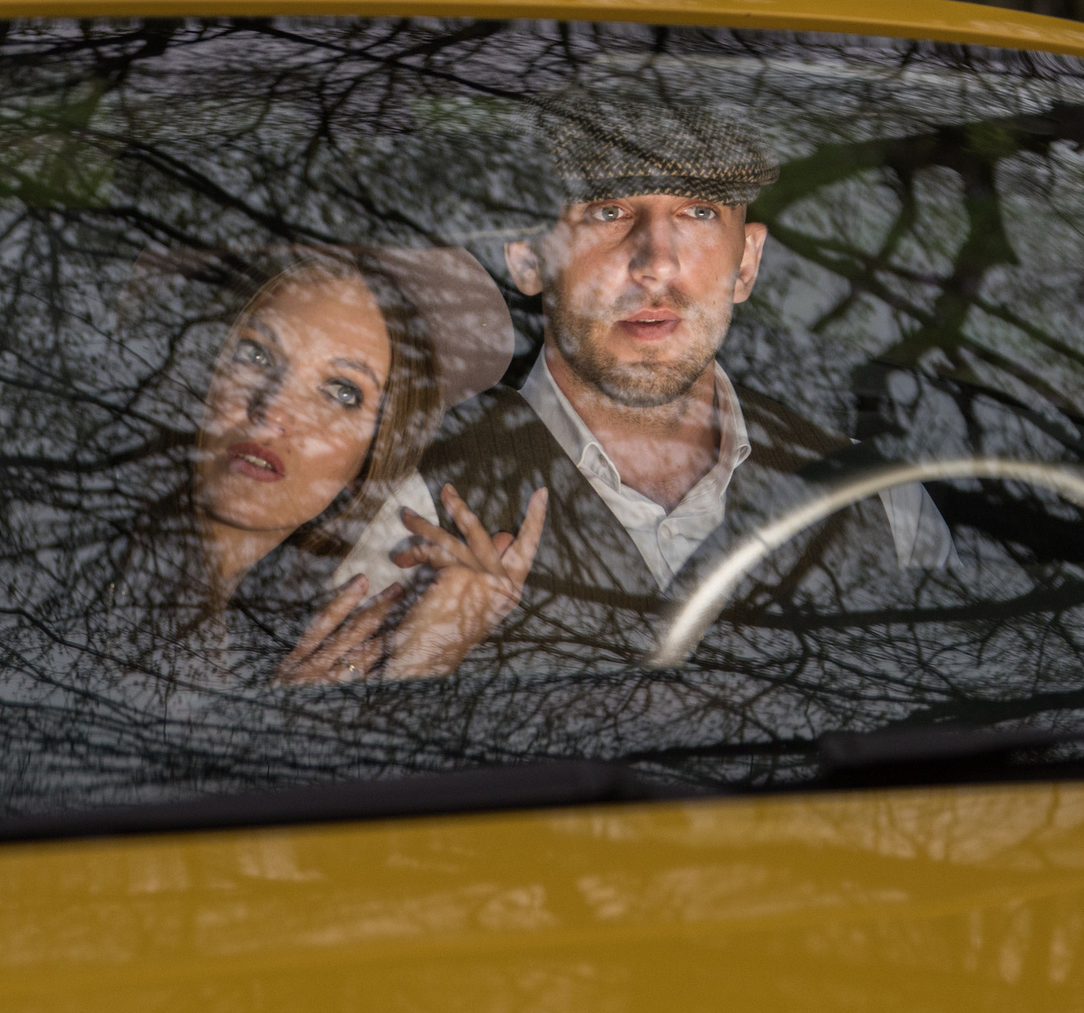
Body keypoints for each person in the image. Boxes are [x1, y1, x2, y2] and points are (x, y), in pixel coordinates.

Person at [370, 94, 949, 676]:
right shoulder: (409, 499)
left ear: (746, 262)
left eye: (698, 212)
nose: (657, 264)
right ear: (528, 262)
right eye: (607, 211)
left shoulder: (879, 500)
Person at [103, 243, 540, 684]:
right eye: (256, 355)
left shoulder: (297, 633)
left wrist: (419, 663)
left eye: (341, 392)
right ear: (205, 375)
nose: (273, 410)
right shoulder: (76, 551)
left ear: (369, 462)